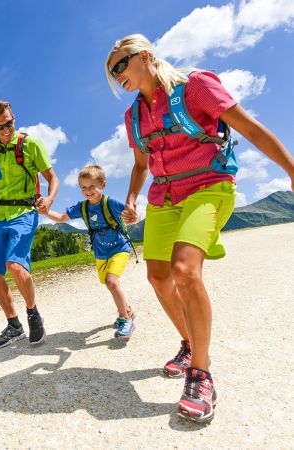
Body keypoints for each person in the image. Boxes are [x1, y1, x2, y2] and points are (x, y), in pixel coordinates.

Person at [105, 34, 294, 422]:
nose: (116, 75)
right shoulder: (133, 116)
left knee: (185, 271)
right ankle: (190, 344)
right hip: (163, 197)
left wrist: (291, 170)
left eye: (120, 65)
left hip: (209, 185)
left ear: (143, 56)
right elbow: (141, 165)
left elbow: (251, 128)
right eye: (111, 73)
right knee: (158, 278)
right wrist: (131, 200)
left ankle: (201, 375)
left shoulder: (195, 86)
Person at [0, 100, 59, 350]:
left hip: (24, 212)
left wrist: (49, 198)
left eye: (9, 122)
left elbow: (52, 177)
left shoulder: (30, 144)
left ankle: (33, 313)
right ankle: (13, 325)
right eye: (0, 126)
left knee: (14, 265)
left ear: (14, 117)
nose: (7, 129)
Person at [44, 165, 136, 339]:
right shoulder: (82, 207)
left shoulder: (111, 203)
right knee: (107, 283)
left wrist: (133, 217)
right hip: (101, 253)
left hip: (119, 248)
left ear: (103, 185)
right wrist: (45, 211)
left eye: (92, 186)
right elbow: (61, 218)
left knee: (111, 281)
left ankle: (125, 319)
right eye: (83, 187)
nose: (87, 191)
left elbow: (129, 216)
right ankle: (127, 309)